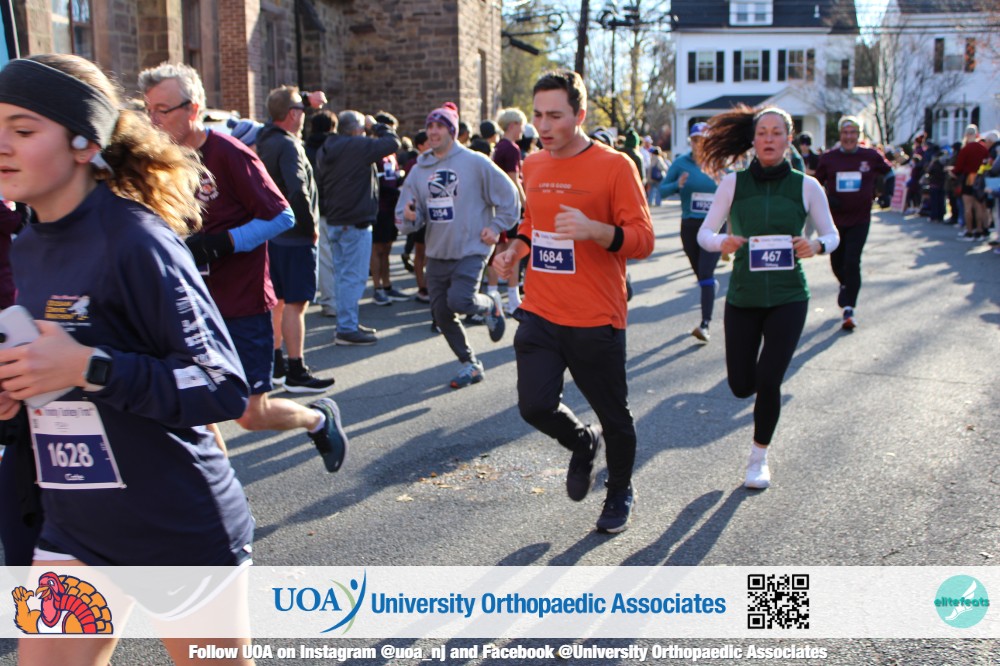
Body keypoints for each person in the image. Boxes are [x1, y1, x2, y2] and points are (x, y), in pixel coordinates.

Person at [0, 53, 256, 663]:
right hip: (74, 525)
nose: (1, 146)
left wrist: (89, 367)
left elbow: (221, 385)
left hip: (172, 529)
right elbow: (56, 368)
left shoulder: (137, 239)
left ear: (85, 142)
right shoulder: (29, 243)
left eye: (23, 129)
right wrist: (17, 389)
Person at [140, 62, 347, 474]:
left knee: (250, 414)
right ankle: (224, 493)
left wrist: (223, 243)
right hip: (190, 305)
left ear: (193, 109)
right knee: (195, 404)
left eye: (162, 110)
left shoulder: (229, 153)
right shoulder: (158, 162)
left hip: (241, 303)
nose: (153, 120)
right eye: (149, 110)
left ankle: (317, 419)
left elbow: (282, 216)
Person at [493, 70, 654, 533]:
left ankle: (619, 490)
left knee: (614, 417)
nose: (543, 126)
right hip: (541, 309)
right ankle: (582, 442)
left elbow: (643, 239)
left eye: (555, 116)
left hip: (595, 316)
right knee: (534, 407)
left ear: (579, 115)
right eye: (538, 115)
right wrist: (514, 250)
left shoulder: (615, 166)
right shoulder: (534, 164)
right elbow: (532, 222)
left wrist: (596, 230)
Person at [696, 105, 840, 489]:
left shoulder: (807, 186)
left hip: (788, 297)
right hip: (743, 297)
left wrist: (816, 245)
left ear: (788, 139)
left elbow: (832, 234)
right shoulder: (733, 184)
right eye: (763, 133)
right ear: (754, 140)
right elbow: (704, 234)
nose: (769, 139)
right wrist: (722, 241)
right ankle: (759, 401)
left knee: (770, 378)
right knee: (742, 385)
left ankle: (758, 459)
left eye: (777, 133)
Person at [395, 102, 518, 389]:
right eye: (430, 126)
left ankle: (490, 305)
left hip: (472, 246)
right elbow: (405, 215)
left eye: (440, 126)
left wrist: (496, 226)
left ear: (452, 131)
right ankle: (470, 364)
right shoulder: (419, 169)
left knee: (461, 300)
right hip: (438, 251)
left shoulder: (475, 162)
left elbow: (510, 196)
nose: (433, 131)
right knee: (441, 314)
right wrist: (411, 217)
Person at [255, 85, 335, 393]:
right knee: (296, 304)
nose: (304, 114)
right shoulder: (288, 145)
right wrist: (309, 226)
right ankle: (296, 370)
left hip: (273, 234)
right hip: (294, 236)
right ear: (292, 114)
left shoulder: (265, 138)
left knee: (278, 301)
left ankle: (277, 365)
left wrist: (305, 100)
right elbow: (297, 189)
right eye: (300, 110)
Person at [315, 110, 400, 345]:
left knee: (343, 276)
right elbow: (392, 142)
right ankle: (346, 327)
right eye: (362, 128)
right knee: (354, 277)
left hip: (336, 219)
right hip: (354, 221)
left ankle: (347, 322)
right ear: (356, 129)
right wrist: (376, 126)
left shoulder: (328, 147)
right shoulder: (356, 145)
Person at [813, 116, 893, 330]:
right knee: (837, 262)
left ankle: (849, 308)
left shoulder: (870, 156)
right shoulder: (829, 158)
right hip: (835, 220)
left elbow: (890, 173)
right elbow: (815, 185)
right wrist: (827, 198)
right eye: (845, 133)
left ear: (859, 135)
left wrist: (886, 194)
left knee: (852, 260)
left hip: (860, 219)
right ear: (840, 135)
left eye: (853, 133)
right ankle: (845, 285)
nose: (849, 137)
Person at [659, 122, 721, 343]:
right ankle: (710, 286)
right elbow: (662, 191)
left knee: (705, 273)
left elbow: (736, 188)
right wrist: (677, 184)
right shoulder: (681, 163)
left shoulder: (719, 163)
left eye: (703, 141)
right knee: (702, 275)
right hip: (690, 226)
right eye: (695, 140)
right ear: (691, 142)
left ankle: (705, 324)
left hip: (714, 227)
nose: (699, 144)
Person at [489, 107, 528, 314]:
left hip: (499, 205)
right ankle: (512, 299)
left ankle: (493, 295)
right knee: (513, 252)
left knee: (500, 251)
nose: (523, 130)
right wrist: (525, 203)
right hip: (510, 206)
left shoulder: (499, 146)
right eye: (521, 125)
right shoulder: (511, 148)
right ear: (513, 125)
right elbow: (514, 180)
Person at [305, 110, 338, 317]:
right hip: (338, 208)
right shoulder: (337, 148)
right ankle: (336, 302)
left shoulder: (305, 148)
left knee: (324, 258)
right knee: (339, 259)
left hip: (314, 208)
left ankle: (329, 301)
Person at [952, 124, 990, 241]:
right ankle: (979, 230)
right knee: (979, 206)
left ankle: (969, 231)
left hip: (969, 178)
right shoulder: (983, 148)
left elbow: (958, 167)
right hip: (980, 178)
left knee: (968, 207)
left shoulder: (965, 149)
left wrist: (953, 171)